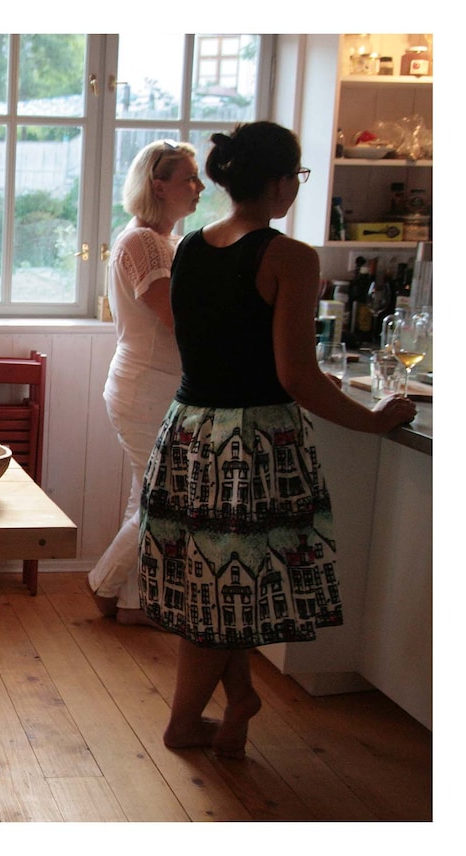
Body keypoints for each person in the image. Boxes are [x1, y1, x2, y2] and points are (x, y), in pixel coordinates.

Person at [137, 121, 417, 758]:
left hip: (189, 429)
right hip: (254, 441)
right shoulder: (289, 256)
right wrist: (372, 420)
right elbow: (298, 376)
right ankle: (184, 725)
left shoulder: (188, 247)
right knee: (227, 585)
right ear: (282, 182)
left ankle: (238, 699)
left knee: (212, 585)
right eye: (299, 177)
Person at [89, 139, 204, 625]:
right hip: (147, 387)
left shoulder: (163, 241)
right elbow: (179, 319)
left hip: (155, 384)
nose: (199, 188)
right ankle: (102, 582)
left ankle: (137, 603)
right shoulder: (145, 242)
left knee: (149, 493)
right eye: (189, 179)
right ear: (159, 184)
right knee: (166, 499)